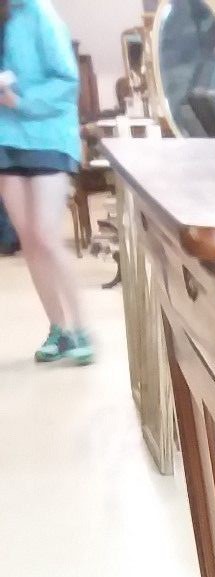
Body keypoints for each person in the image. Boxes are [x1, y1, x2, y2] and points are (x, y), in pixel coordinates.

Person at [0, 0, 93, 365]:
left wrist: (20, 100)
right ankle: (59, 329)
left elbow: (67, 80)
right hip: (6, 137)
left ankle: (82, 328)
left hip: (47, 134)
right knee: (29, 239)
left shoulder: (38, 12)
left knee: (46, 235)